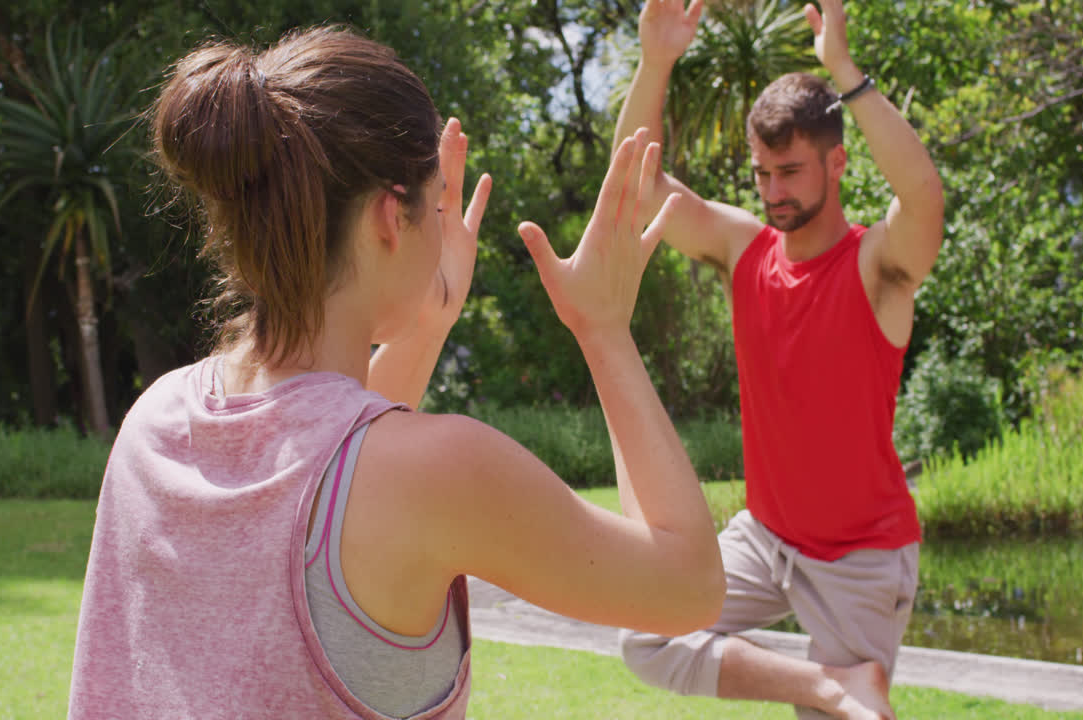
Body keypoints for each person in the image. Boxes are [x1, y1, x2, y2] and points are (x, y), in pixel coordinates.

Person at [66, 25, 725, 720]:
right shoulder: (438, 470)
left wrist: (429, 319)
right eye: (438, 202)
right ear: (391, 216)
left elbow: (317, 453)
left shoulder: (157, 422)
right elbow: (688, 588)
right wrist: (605, 329)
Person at [613, 1, 945, 719]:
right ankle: (825, 683)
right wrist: (657, 60)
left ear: (837, 160)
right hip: (764, 540)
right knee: (648, 631)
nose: (772, 192)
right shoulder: (745, 248)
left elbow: (922, 198)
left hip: (860, 558)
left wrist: (845, 71)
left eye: (789, 172)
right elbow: (638, 188)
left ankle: (838, 691)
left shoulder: (876, 268)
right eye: (762, 173)